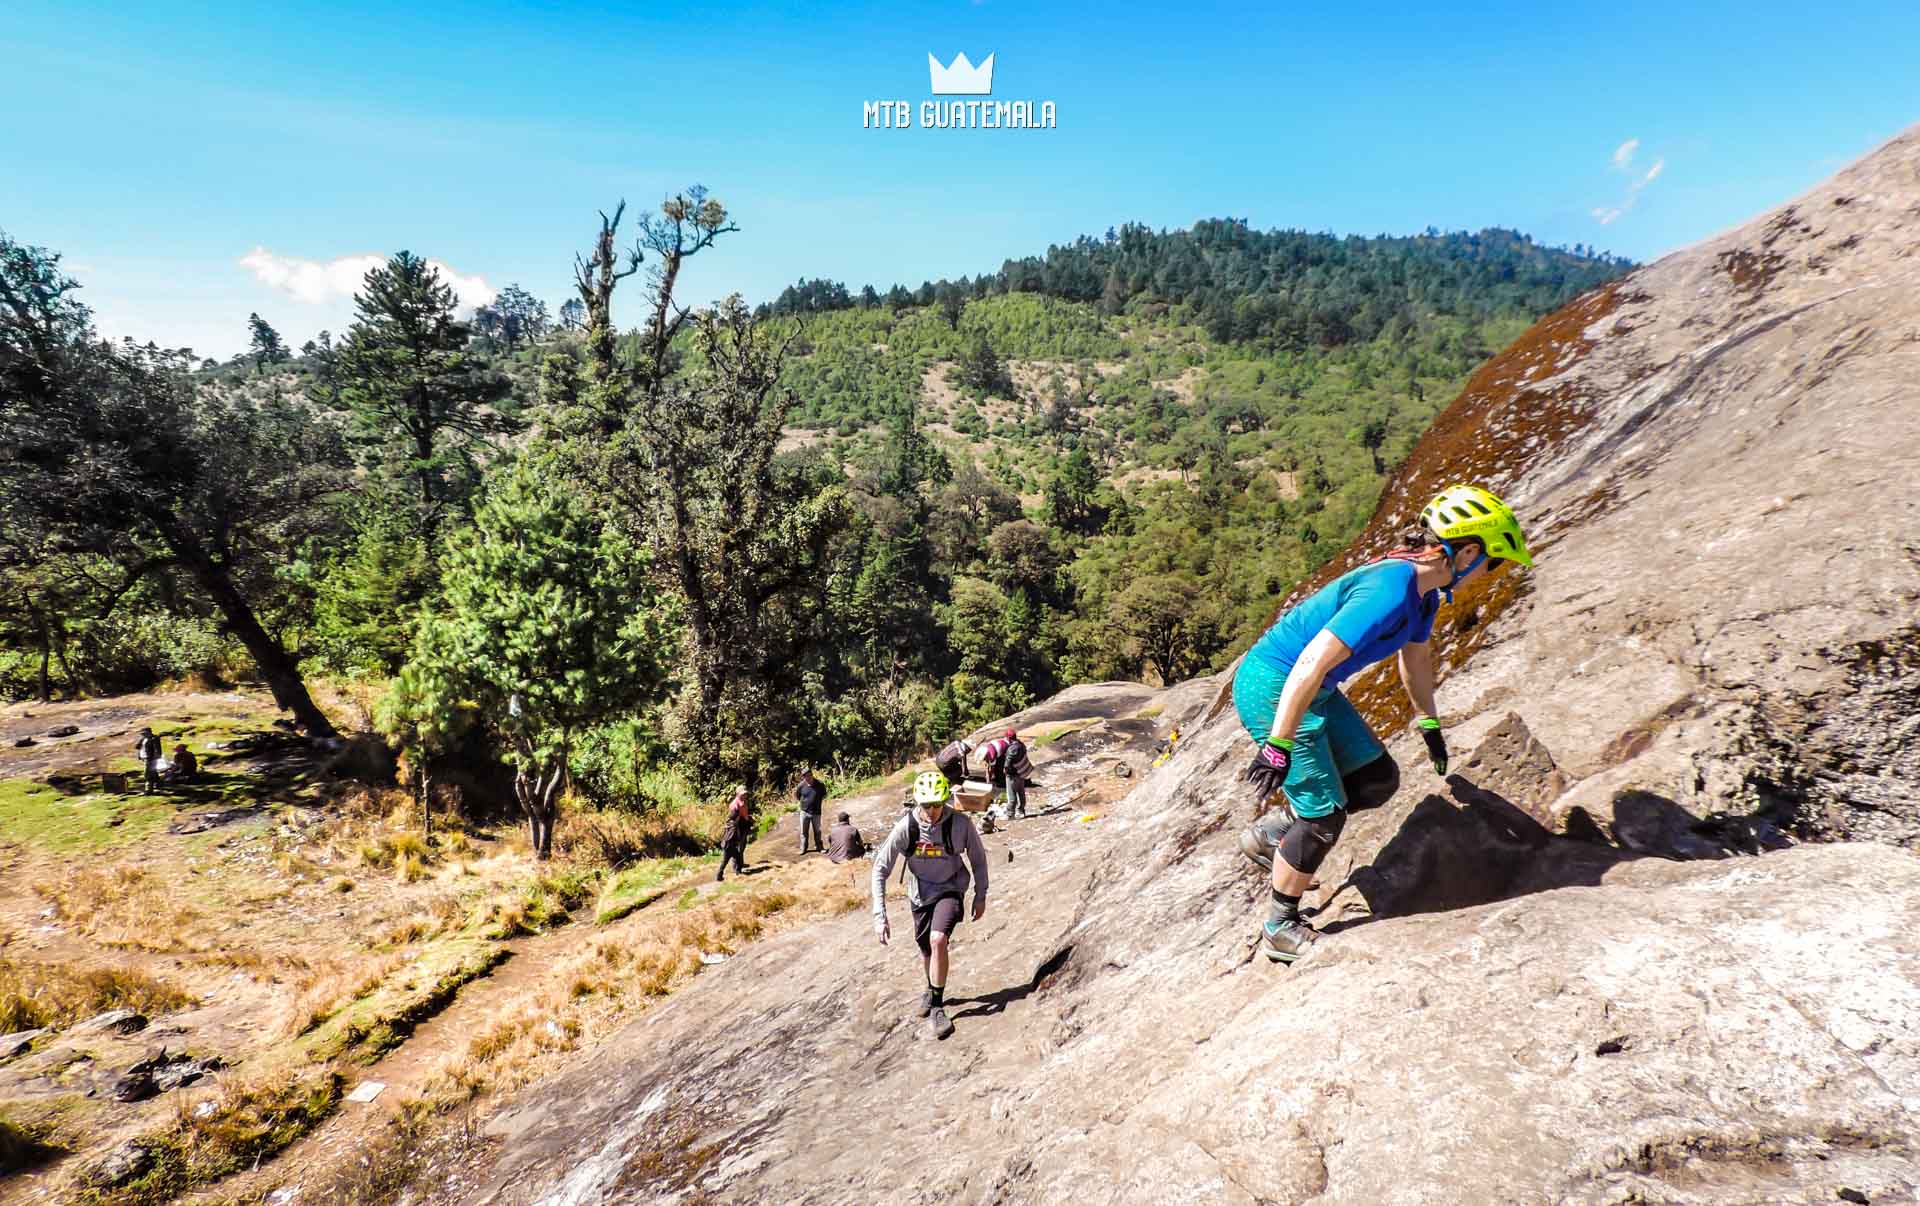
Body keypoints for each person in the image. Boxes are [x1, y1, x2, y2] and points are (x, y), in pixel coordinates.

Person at [1232, 484, 1532, 965]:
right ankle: (1279, 926)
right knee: (1323, 815)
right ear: (1467, 552)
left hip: (1311, 687)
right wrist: (1277, 745)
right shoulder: (1390, 589)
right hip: (1276, 683)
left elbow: (1415, 660)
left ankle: (1271, 835)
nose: (1487, 574)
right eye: (1491, 563)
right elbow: (1310, 661)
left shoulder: (1423, 596)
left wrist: (1429, 722)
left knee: (1375, 779)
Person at [871, 771, 990, 1040]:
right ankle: (931, 988)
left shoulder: (960, 824)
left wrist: (980, 894)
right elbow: (880, 869)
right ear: (918, 802)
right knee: (926, 949)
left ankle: (937, 1007)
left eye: (938, 804)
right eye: (927, 805)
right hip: (920, 894)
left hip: (951, 887)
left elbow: (978, 858)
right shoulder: (906, 828)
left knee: (938, 940)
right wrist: (880, 916)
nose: (933, 811)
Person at [717, 786, 752, 881]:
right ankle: (737, 870)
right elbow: (745, 817)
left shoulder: (729, 823)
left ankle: (722, 874)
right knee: (737, 854)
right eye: (742, 794)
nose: (745, 795)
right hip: (730, 843)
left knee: (727, 859)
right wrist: (748, 820)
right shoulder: (738, 806)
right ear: (737, 794)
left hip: (727, 844)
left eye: (745, 794)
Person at [1000, 731, 1035, 820]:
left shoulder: (1012, 749)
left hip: (1012, 775)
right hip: (1021, 773)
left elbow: (1008, 762)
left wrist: (1005, 770)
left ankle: (1010, 814)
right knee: (1021, 793)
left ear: (1008, 738)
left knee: (1011, 795)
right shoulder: (1021, 745)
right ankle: (1021, 811)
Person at [795, 769, 828, 856]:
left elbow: (824, 795)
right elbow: (798, 796)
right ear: (803, 777)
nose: (808, 778)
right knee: (803, 832)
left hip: (816, 812)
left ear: (812, 775)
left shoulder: (820, 784)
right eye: (806, 776)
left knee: (817, 831)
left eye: (809, 775)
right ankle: (803, 848)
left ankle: (819, 847)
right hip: (804, 812)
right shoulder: (801, 786)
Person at [134, 727, 163, 794]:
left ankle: (148, 789)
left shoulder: (154, 738)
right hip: (144, 757)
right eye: (142, 733)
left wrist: (156, 757)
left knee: (147, 773)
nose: (143, 734)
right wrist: (140, 741)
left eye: (144, 733)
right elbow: (137, 747)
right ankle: (158, 784)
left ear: (149, 732)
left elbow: (157, 749)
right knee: (153, 772)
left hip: (150, 758)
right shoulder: (143, 738)